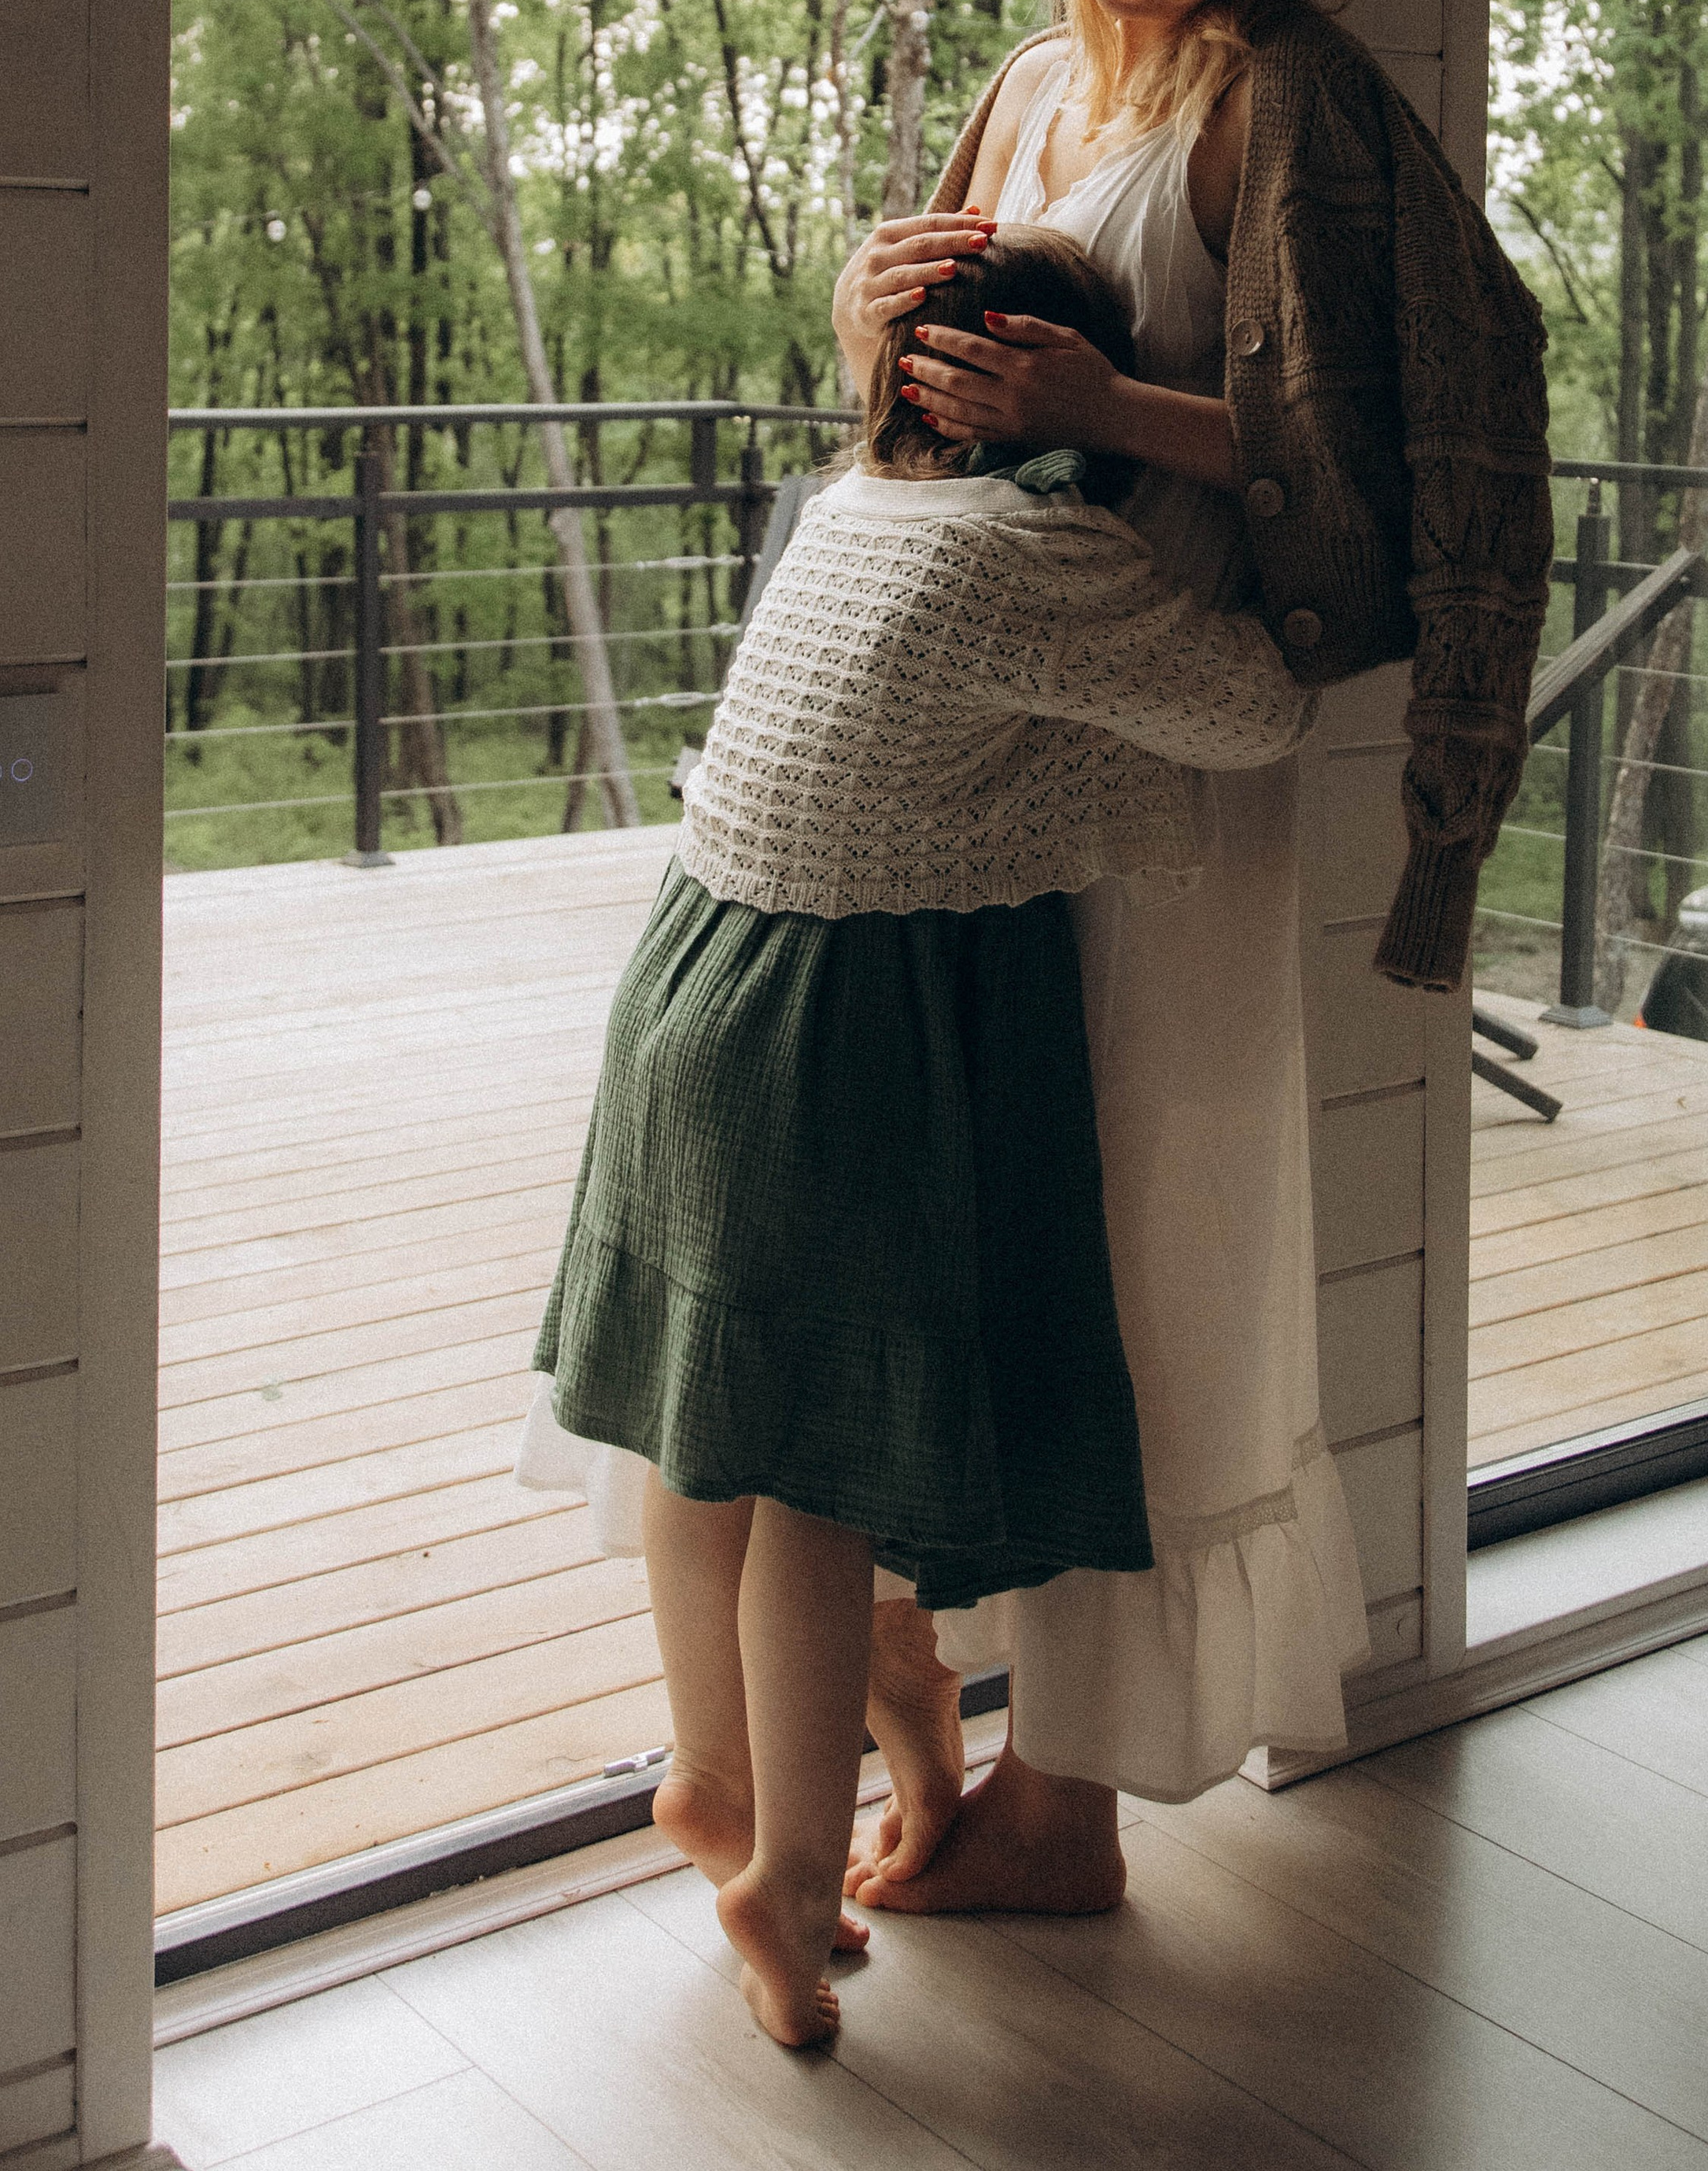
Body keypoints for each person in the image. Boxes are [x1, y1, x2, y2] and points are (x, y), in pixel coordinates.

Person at [831, 0, 1553, 1919]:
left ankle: (1082, 1789)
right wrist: (873, 319)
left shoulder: (1296, 108)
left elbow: (1392, 460)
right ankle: (947, 1714)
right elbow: (936, 410)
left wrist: (1109, 400)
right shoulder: (1039, 78)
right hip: (976, 755)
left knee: (1149, 1246)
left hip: (1168, 760)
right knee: (979, 1231)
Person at [526, 226, 1315, 2047]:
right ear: (1065, 392)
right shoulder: (1034, 546)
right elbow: (1251, 709)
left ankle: (710, 1774)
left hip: (688, 979)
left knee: (706, 1437)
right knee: (822, 1476)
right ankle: (785, 1887)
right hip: (841, 1022)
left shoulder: (849, 504)